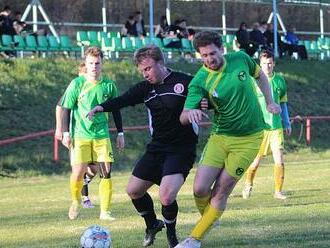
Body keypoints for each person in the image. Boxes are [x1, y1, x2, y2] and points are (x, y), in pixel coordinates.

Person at [175, 31, 281, 248]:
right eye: (203, 55)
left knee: (221, 190)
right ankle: (210, 217)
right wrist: (191, 114)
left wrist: (270, 102)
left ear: (222, 49)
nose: (209, 59)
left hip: (249, 139)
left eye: (212, 53)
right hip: (220, 136)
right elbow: (183, 116)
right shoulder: (200, 81)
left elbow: (260, 76)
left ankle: (194, 239)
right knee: (200, 189)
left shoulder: (241, 58)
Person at [87, 45, 199, 248]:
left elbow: (204, 95)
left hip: (181, 149)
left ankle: (172, 238)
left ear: (160, 63)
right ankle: (152, 224)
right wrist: (101, 107)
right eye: (142, 71)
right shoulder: (145, 88)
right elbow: (123, 100)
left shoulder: (185, 81)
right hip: (157, 148)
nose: (145, 74)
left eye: (148, 68)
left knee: (166, 195)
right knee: (133, 191)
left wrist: (203, 104)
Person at [60, 47, 124, 220]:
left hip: (102, 135)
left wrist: (120, 133)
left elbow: (116, 109)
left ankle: (105, 212)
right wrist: (65, 133)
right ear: (85, 64)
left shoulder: (109, 85)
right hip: (80, 135)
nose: (94, 66)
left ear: (102, 63)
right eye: (90, 63)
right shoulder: (77, 84)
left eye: (97, 63)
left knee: (106, 172)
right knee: (79, 171)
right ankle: (75, 201)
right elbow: (65, 108)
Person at [242, 50, 291, 200]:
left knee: (279, 159)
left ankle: (278, 191)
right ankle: (248, 184)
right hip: (259, 128)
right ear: (259, 64)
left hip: (276, 127)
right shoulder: (252, 81)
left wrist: (286, 122)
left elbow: (283, 104)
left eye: (270, 63)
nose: (267, 66)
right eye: (264, 63)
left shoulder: (280, 81)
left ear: (274, 63)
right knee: (255, 162)